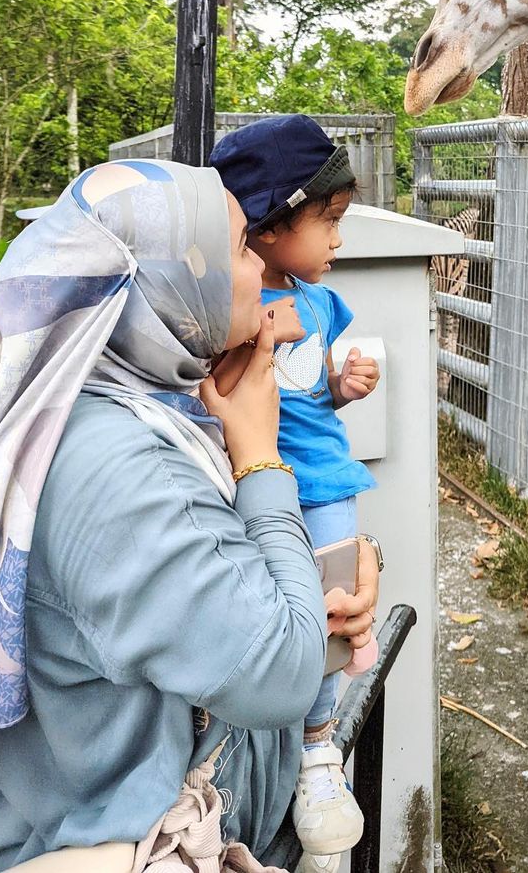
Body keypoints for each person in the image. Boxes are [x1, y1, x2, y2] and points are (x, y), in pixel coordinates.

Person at [0, 159, 379, 873]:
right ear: (174, 283)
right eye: (241, 247)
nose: (257, 269)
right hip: (105, 835)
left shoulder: (146, 410)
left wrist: (341, 571)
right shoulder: (124, 469)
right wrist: (262, 458)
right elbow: (281, 675)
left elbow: (215, 576)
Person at [210, 118, 382, 869]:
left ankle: (318, 752)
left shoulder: (321, 305)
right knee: (277, 613)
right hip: (255, 487)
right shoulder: (233, 308)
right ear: (272, 226)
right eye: (330, 221)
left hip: (326, 481)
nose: (340, 241)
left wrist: (344, 388)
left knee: (336, 606)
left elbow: (313, 398)